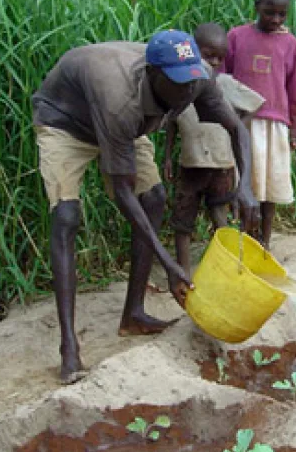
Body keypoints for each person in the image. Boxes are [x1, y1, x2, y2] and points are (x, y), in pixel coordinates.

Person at [31, 30, 259, 384]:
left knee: (153, 198)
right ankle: (69, 348)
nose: (186, 92)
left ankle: (133, 315)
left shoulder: (193, 77)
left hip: (125, 127)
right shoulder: (119, 96)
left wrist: (245, 186)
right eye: (178, 84)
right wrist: (168, 263)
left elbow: (237, 129)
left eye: (190, 83)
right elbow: (121, 193)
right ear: (153, 75)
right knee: (66, 216)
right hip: (67, 123)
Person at [163, 23, 265, 286]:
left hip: (221, 164)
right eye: (208, 56)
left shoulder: (225, 84)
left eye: (220, 58)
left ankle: (228, 269)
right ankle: (184, 273)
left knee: (220, 217)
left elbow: (256, 102)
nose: (215, 62)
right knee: (183, 222)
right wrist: (166, 158)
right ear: (193, 52)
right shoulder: (181, 86)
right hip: (190, 164)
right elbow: (171, 125)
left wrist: (236, 126)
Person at [223, 0, 296, 250]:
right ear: (257, 6)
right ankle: (243, 241)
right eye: (269, 12)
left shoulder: (290, 44)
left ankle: (265, 241)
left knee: (269, 187)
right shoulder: (236, 36)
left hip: (274, 125)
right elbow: (222, 77)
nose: (275, 18)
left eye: (282, 14)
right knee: (243, 182)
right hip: (241, 122)